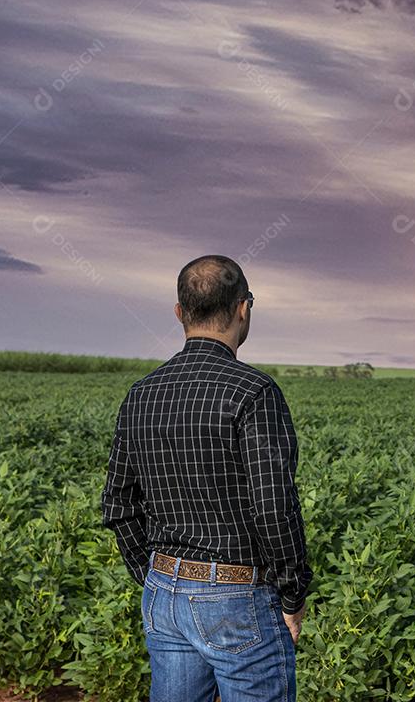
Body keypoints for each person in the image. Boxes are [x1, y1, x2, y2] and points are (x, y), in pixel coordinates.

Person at [102, 255, 312, 701]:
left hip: (162, 589)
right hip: (238, 594)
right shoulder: (254, 391)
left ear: (179, 312)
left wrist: (155, 574)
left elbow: (118, 504)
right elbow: (274, 508)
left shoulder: (141, 394)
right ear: (243, 308)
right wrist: (293, 597)